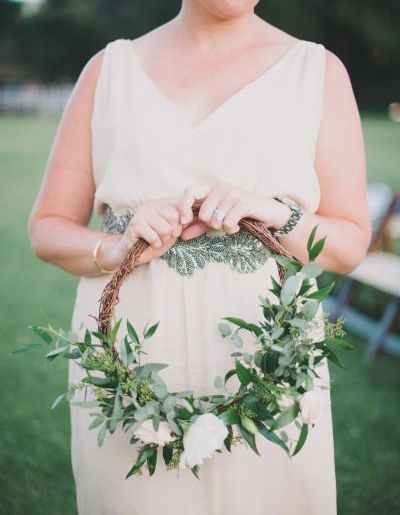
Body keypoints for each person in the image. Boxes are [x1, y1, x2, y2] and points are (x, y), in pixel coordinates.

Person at [28, 1, 371, 514]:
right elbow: (48, 227)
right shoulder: (109, 71)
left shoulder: (318, 71)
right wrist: (119, 248)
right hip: (129, 379)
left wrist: (275, 213)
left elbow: (349, 245)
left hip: (269, 377)